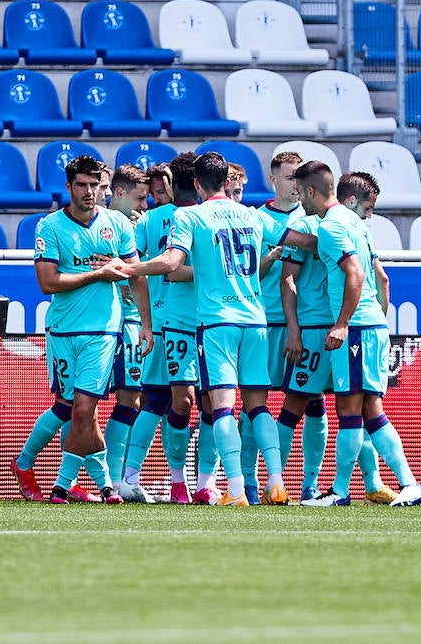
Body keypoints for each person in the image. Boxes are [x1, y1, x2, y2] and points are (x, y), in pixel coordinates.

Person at [120, 152, 316, 506]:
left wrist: (130, 268)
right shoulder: (252, 216)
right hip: (255, 319)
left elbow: (170, 263)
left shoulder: (190, 216)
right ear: (227, 181)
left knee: (223, 407)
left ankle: (237, 490)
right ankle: (276, 482)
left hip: (217, 323)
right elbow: (298, 238)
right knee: (258, 407)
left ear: (196, 184)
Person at [11, 155, 150, 506]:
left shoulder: (118, 224)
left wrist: (146, 323)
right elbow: (47, 282)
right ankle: (37, 467)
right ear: (69, 187)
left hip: (104, 331)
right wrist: (98, 275)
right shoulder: (51, 227)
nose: (90, 192)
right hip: (62, 330)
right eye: (82, 185)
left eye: (95, 185)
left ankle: (61, 485)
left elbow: (136, 274)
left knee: (84, 407)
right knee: (69, 406)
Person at [289, 162, 421, 508]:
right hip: (370, 325)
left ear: (310, 192)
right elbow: (380, 277)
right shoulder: (353, 223)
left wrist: (342, 323)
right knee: (365, 411)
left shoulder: (334, 226)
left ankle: (342, 491)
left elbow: (355, 274)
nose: (300, 203)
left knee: (352, 409)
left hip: (357, 329)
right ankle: (400, 485)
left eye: (300, 194)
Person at [121, 153, 201, 504]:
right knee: (170, 400)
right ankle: (175, 481)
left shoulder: (149, 221)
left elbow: (131, 269)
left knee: (164, 399)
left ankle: (143, 478)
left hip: (174, 318)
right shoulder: (186, 219)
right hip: (181, 320)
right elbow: (140, 267)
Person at [239, 150, 306, 504]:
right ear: (273, 179)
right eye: (289, 176)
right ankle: (250, 482)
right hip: (264, 322)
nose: (295, 183)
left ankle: (306, 484)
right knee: (254, 404)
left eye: (300, 176)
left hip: (304, 323)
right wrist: (272, 256)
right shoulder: (256, 220)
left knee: (311, 406)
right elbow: (252, 274)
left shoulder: (313, 217)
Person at [97, 164, 151, 503]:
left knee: (133, 398)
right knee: (85, 402)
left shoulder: (137, 225)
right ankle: (112, 480)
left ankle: (119, 479)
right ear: (119, 193)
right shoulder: (104, 226)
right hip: (110, 323)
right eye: (139, 198)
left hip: (129, 321)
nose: (143, 205)